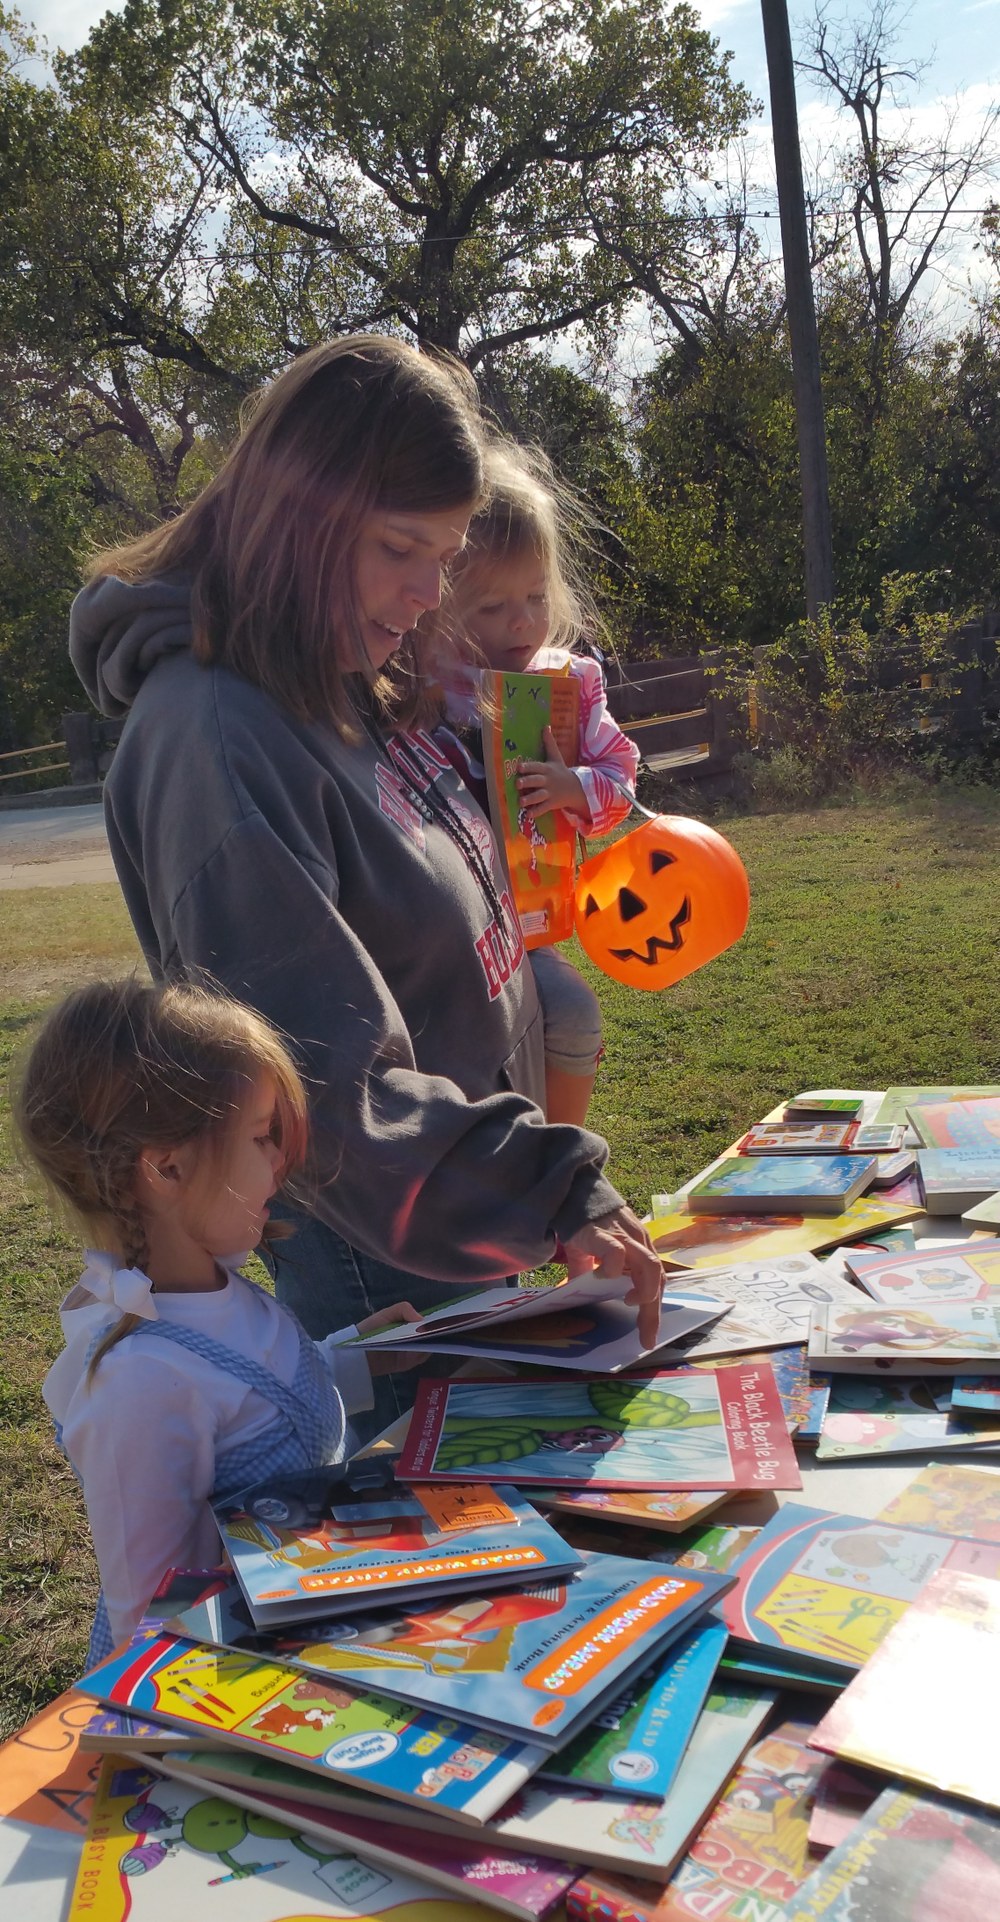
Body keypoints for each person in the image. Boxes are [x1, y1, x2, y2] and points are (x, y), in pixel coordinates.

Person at [67, 336, 663, 1384]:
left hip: (460, 1224)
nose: (428, 594)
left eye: (445, 555)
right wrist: (551, 1184)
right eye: (401, 548)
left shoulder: (336, 671)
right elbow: (320, 1079)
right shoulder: (214, 737)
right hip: (382, 1260)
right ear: (301, 516)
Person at [16, 978, 419, 1661]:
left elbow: (267, 1392)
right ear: (167, 1168)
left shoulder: (220, 1288)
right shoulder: (141, 1384)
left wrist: (357, 1354)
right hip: (235, 1677)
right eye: (262, 1138)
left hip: (319, 1614)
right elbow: (153, 1616)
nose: (280, 1163)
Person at [433, 441, 640, 1127]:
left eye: (535, 597)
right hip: (446, 932)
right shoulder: (424, 692)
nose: (521, 622)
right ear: (441, 605)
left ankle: (565, 1161)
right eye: (491, 608)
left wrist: (572, 785)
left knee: (574, 1016)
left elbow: (621, 779)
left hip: (528, 926)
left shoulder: (569, 688)